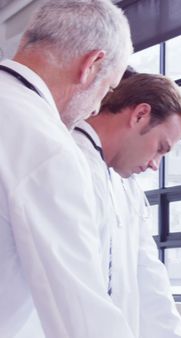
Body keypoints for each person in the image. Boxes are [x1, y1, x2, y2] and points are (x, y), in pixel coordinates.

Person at [0, 1, 134, 337]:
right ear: (92, 65)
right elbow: (82, 319)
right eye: (109, 88)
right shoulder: (46, 142)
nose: (97, 107)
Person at [72, 73, 181, 337]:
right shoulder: (64, 160)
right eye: (160, 148)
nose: (155, 164)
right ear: (140, 114)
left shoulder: (128, 189)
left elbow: (150, 281)